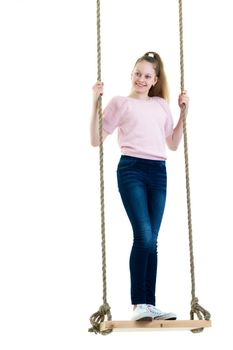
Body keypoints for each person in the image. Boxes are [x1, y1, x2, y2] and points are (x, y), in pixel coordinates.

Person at [90, 51, 189, 321]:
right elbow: (96, 139)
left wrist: (183, 113)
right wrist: (94, 103)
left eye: (147, 76)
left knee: (152, 241)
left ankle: (148, 304)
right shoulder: (120, 103)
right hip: (131, 169)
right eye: (137, 73)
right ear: (131, 74)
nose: (141, 79)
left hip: (158, 172)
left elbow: (173, 143)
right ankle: (139, 304)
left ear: (155, 79)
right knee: (144, 235)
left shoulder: (160, 105)